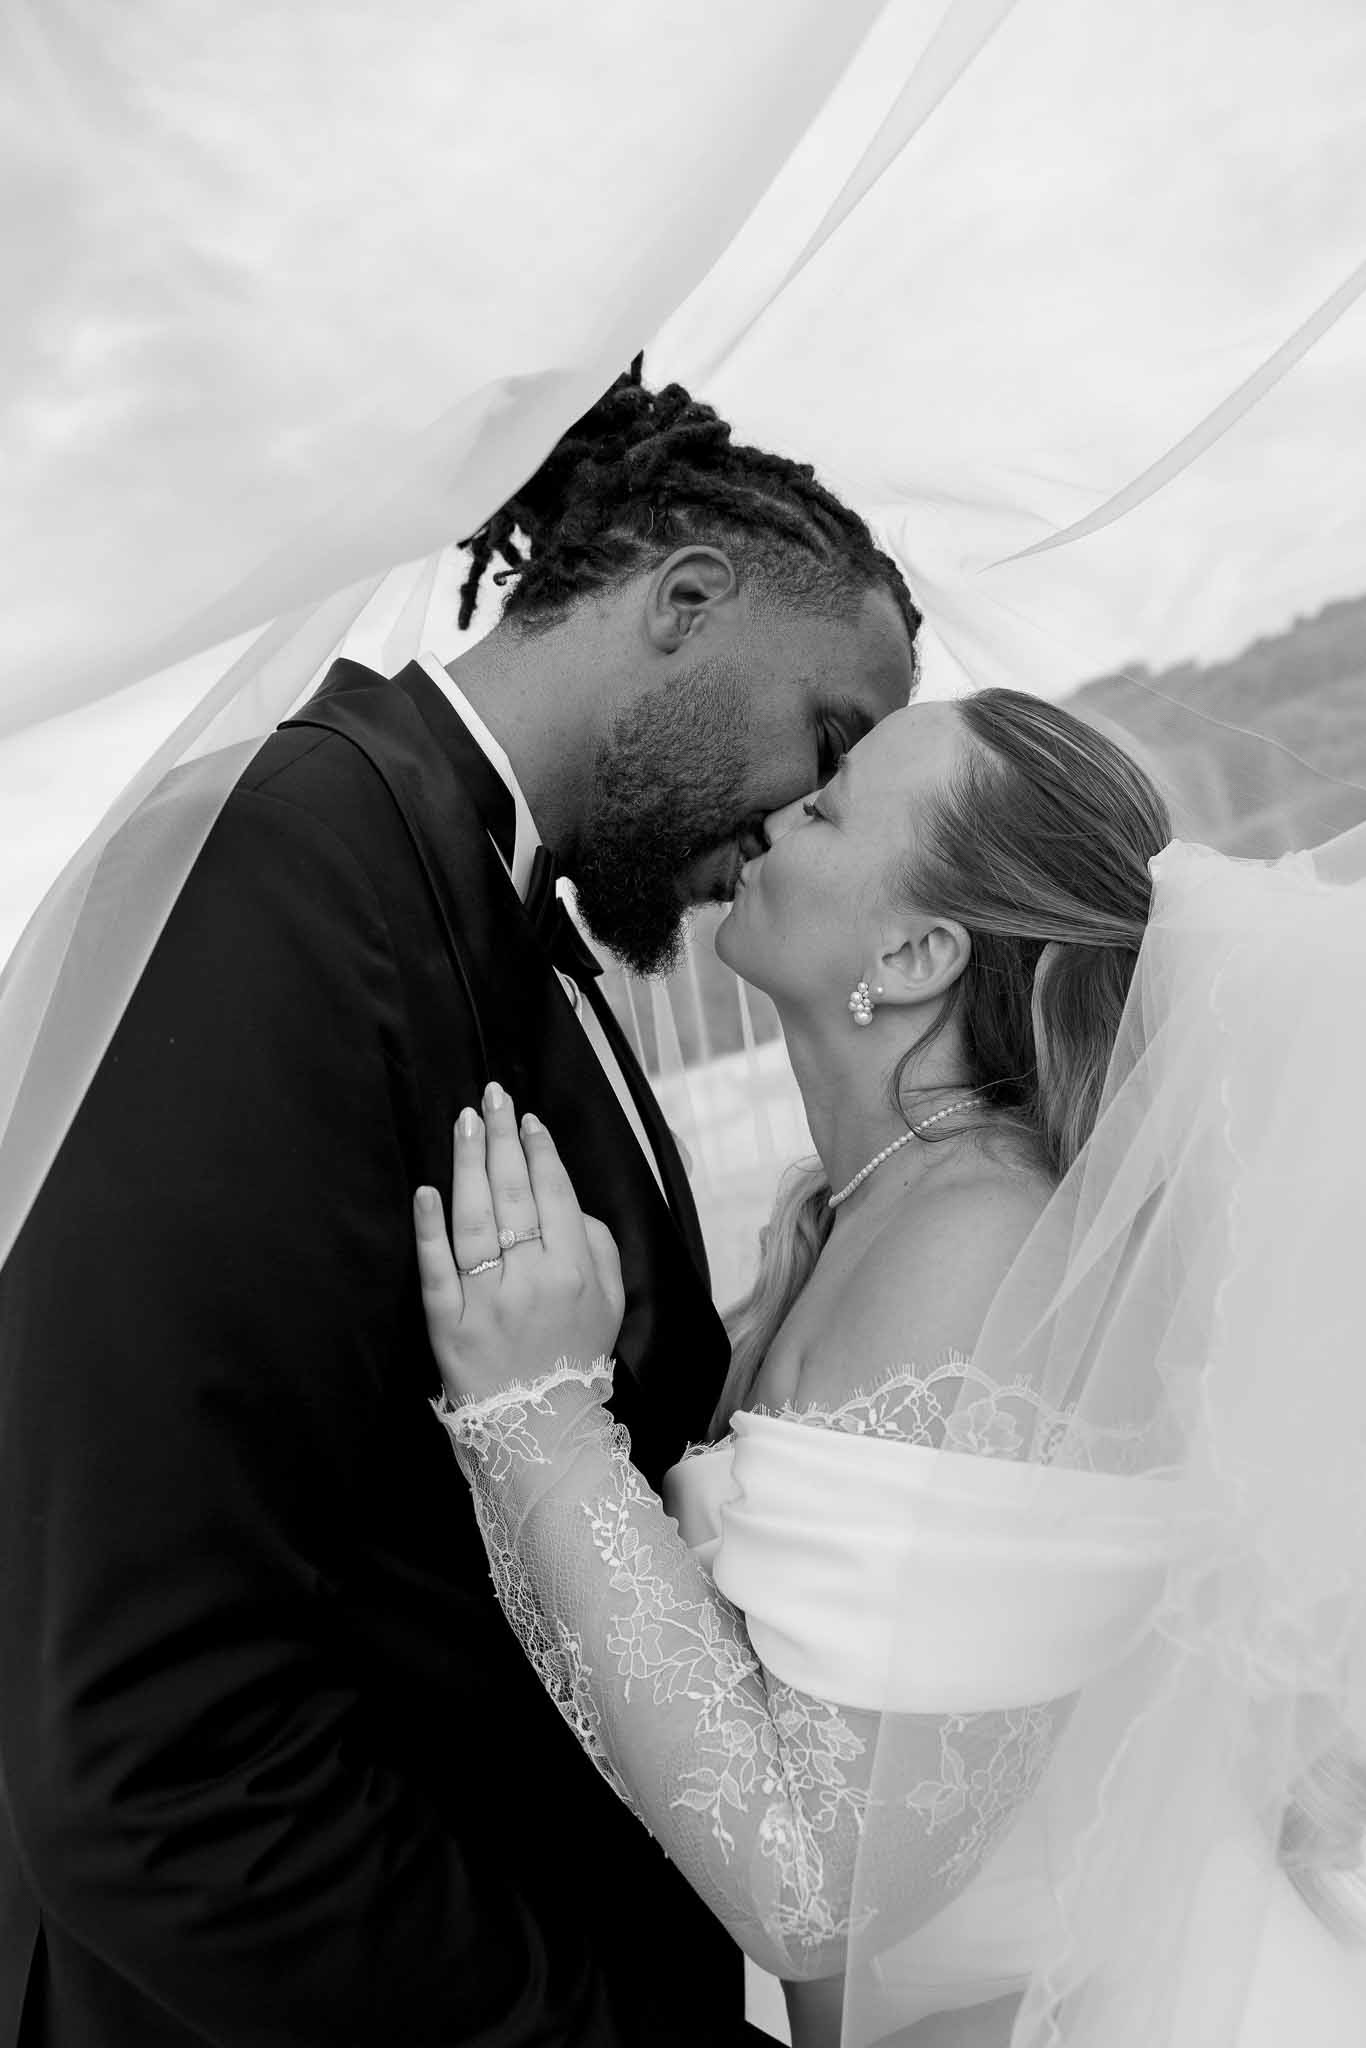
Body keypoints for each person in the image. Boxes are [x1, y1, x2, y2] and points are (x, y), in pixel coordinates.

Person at [0, 364, 919, 2048]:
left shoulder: (501, 900)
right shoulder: (270, 871)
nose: (800, 820)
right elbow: (148, 1748)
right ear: (686, 601)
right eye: (828, 739)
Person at [413, 689, 1366, 2047]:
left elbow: (815, 1892)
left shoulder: (976, 1248)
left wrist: (539, 1418)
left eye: (825, 806)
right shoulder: (861, 1210)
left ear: (915, 952)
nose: (769, 812)